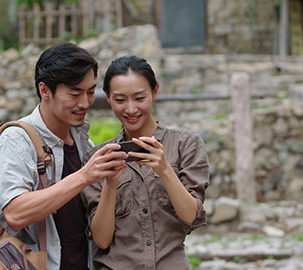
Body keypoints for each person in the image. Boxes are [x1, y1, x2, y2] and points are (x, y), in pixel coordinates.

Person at [0, 43, 128, 270]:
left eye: (90, 92)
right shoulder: (17, 139)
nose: (84, 103)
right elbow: (15, 212)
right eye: (74, 93)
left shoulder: (84, 143)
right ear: (44, 90)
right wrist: (83, 176)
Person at [81, 55, 210, 269]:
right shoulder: (98, 157)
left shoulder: (185, 143)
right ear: (108, 98)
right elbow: (101, 240)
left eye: (139, 98)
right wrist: (111, 186)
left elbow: (190, 217)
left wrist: (165, 170)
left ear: (155, 92)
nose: (131, 109)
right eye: (120, 100)